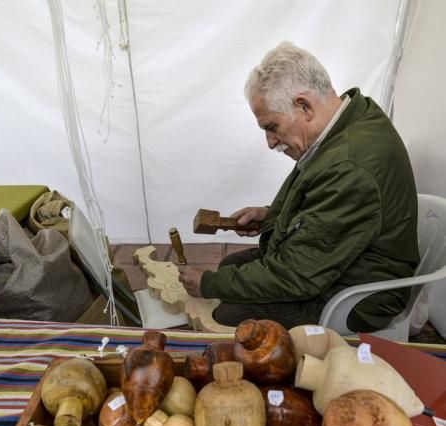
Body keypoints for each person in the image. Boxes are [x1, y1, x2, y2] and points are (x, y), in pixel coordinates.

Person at [178, 42, 419, 332]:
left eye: (271, 126)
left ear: (304, 106)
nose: (270, 142)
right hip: (343, 264)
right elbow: (324, 209)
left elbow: (298, 274)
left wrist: (207, 284)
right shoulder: (349, 120)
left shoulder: (350, 167)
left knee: (228, 313)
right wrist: (272, 217)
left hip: (358, 296)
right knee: (231, 264)